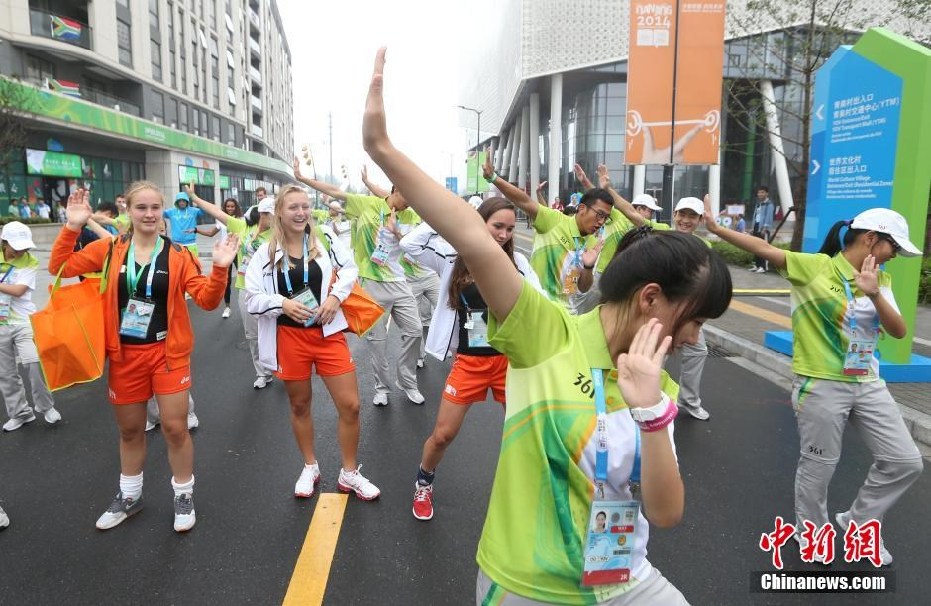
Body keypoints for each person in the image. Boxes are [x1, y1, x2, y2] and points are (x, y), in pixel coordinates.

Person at [363, 47, 732, 605]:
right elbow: (469, 233)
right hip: (528, 586)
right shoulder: (547, 333)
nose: (693, 337)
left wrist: (653, 414)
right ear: (651, 298)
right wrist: (384, 150)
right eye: (694, 319)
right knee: (444, 430)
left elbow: (665, 511)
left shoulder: (662, 386)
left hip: (622, 580)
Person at [704, 200, 923, 565]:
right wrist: (717, 229)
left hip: (868, 381)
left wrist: (872, 293)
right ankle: (814, 535)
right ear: (871, 239)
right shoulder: (814, 268)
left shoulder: (881, 279)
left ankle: (859, 521)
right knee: (818, 467)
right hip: (820, 384)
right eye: (894, 247)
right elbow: (764, 248)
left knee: (906, 461)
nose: (896, 255)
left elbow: (899, 331)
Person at [48, 183, 238, 533]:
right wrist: (72, 225)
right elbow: (58, 267)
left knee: (175, 427)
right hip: (124, 355)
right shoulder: (108, 249)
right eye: (141, 208)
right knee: (131, 429)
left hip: (167, 354)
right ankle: (130, 496)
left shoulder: (180, 255)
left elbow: (208, 301)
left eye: (154, 208)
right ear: (129, 211)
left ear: (162, 212)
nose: (149, 214)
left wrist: (221, 269)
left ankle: (183, 494)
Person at [400, 197, 542, 521]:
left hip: (509, 362)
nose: (504, 234)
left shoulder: (518, 263)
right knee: (443, 434)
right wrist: (455, 215)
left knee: (524, 432)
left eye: (509, 228)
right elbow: (410, 244)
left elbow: (541, 303)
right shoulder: (453, 256)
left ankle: (528, 489)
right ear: (480, 223)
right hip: (469, 362)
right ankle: (424, 481)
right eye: (497, 226)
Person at [244, 184, 380, 501]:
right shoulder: (265, 253)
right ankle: (310, 466)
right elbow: (252, 299)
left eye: (305, 206)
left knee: (351, 405)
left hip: (327, 333)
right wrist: (281, 303)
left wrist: (335, 296)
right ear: (279, 212)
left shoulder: (325, 242)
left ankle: (349, 473)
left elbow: (350, 269)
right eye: (293, 207)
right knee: (300, 404)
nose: (301, 212)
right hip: (289, 337)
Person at [294, 158, 426, 406]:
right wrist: (303, 179)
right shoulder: (367, 205)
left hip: (400, 281)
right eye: (407, 193)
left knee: (415, 330)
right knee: (377, 341)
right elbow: (334, 192)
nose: (410, 199)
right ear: (395, 189)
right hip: (372, 283)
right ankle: (382, 388)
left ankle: (407, 381)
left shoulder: (413, 216)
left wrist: (398, 232)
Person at [599, 172, 712, 421]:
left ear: (700, 220)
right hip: (659, 311)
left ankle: (689, 401)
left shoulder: (706, 249)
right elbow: (632, 213)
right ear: (674, 216)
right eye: (682, 214)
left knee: (698, 350)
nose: (685, 220)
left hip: (687, 314)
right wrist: (609, 189)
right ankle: (646, 401)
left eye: (692, 216)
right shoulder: (662, 233)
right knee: (654, 354)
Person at [481, 152, 607, 312]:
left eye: (606, 218)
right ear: (582, 208)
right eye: (600, 215)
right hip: (537, 309)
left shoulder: (594, 244)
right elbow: (524, 201)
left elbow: (583, 287)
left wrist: (588, 267)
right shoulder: (554, 220)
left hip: (567, 315)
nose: (601, 222)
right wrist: (494, 178)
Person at [186, 186, 275, 387]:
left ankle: (283, 366)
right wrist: (194, 197)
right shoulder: (242, 227)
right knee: (252, 334)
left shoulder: (279, 234)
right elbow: (216, 212)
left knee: (279, 331)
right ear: (260, 213)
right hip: (246, 287)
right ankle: (263, 373)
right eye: (267, 213)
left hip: (272, 289)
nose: (270, 218)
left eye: (273, 214)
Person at [0, 222, 61, 431]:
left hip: (24, 321)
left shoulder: (30, 261)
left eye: (24, 246)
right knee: (6, 373)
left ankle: (45, 406)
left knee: (33, 362)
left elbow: (18, 290)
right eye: (16, 246)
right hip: (1, 323)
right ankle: (20, 413)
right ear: (4, 242)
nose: (21, 250)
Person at [192, 197, 242, 318]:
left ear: (236, 207)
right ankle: (227, 307)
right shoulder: (221, 220)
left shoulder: (241, 220)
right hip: (225, 253)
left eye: (232, 206)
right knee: (227, 281)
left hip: (238, 252)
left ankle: (248, 304)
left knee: (245, 279)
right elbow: (210, 233)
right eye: (228, 206)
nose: (230, 208)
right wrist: (196, 230)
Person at [163, 192, 204, 256]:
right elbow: (158, 213)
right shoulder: (171, 212)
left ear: (187, 201)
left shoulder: (194, 211)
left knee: (192, 265)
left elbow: (204, 210)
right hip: (176, 244)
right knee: (178, 265)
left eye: (183, 201)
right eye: (180, 201)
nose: (182, 203)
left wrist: (196, 200)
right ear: (177, 202)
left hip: (191, 244)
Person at [749, 186, 775, 273]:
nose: (760, 194)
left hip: (763, 229)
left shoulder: (769, 204)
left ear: (767, 193)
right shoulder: (758, 204)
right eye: (759, 192)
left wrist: (765, 228)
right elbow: (755, 216)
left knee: (763, 248)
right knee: (755, 247)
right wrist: (752, 228)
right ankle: (757, 265)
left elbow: (769, 217)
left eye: (762, 192)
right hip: (756, 227)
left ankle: (763, 267)